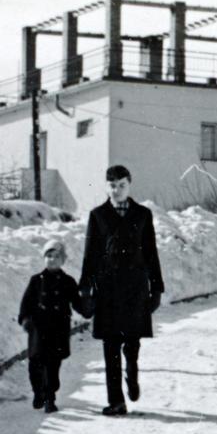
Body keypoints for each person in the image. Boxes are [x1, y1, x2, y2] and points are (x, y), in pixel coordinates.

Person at [79, 164, 165, 416]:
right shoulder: (98, 215)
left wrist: (156, 288)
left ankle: (132, 373)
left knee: (132, 343)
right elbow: (90, 255)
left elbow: (151, 253)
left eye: (121, 185)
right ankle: (116, 401)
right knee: (110, 346)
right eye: (112, 185)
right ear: (107, 187)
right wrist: (86, 288)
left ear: (129, 185)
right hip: (107, 290)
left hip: (135, 288)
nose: (116, 190)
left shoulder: (142, 215)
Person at [17, 237, 86, 413]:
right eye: (48, 256)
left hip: (58, 328)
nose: (52, 259)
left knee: (52, 365)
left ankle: (50, 397)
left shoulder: (68, 281)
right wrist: (25, 319)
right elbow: (26, 302)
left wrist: (89, 307)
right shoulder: (36, 280)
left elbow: (77, 303)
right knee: (35, 364)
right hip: (38, 328)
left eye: (56, 256)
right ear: (44, 258)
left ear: (63, 260)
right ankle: (38, 392)